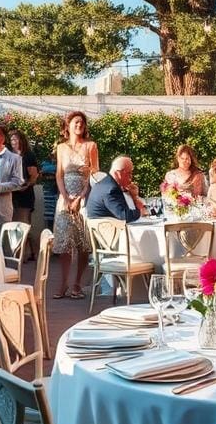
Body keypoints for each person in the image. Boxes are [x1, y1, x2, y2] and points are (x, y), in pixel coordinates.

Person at [52, 111, 99, 299]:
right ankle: (62, 283)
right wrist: (66, 197)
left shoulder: (91, 146)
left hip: (85, 198)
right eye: (76, 122)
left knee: (83, 243)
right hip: (65, 199)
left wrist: (80, 198)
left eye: (82, 122)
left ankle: (77, 284)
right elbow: (59, 174)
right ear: (68, 125)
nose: (79, 125)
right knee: (64, 243)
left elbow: (94, 175)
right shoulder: (61, 148)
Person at [87, 156, 146, 223]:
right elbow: (125, 216)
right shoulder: (112, 189)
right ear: (118, 173)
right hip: (109, 231)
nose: (131, 177)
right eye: (129, 173)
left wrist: (134, 196)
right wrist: (140, 211)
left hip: (102, 229)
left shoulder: (103, 184)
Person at [10, 129, 39, 259]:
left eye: (15, 139)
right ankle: (31, 252)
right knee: (16, 224)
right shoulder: (9, 155)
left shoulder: (28, 156)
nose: (13, 142)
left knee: (24, 224)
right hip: (11, 194)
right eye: (11, 140)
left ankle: (27, 253)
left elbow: (34, 177)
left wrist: (25, 186)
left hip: (25, 194)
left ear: (22, 140)